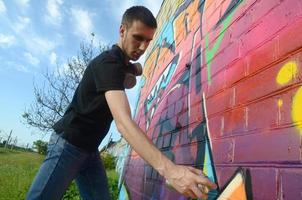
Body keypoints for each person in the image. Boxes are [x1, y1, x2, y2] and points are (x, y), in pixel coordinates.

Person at [26, 6, 217, 200]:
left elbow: (135, 72)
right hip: (68, 144)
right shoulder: (107, 64)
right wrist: (171, 171)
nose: (143, 47)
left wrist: (134, 70)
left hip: (90, 151)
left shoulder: (122, 64)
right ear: (122, 31)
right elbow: (124, 124)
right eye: (137, 38)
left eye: (148, 41)